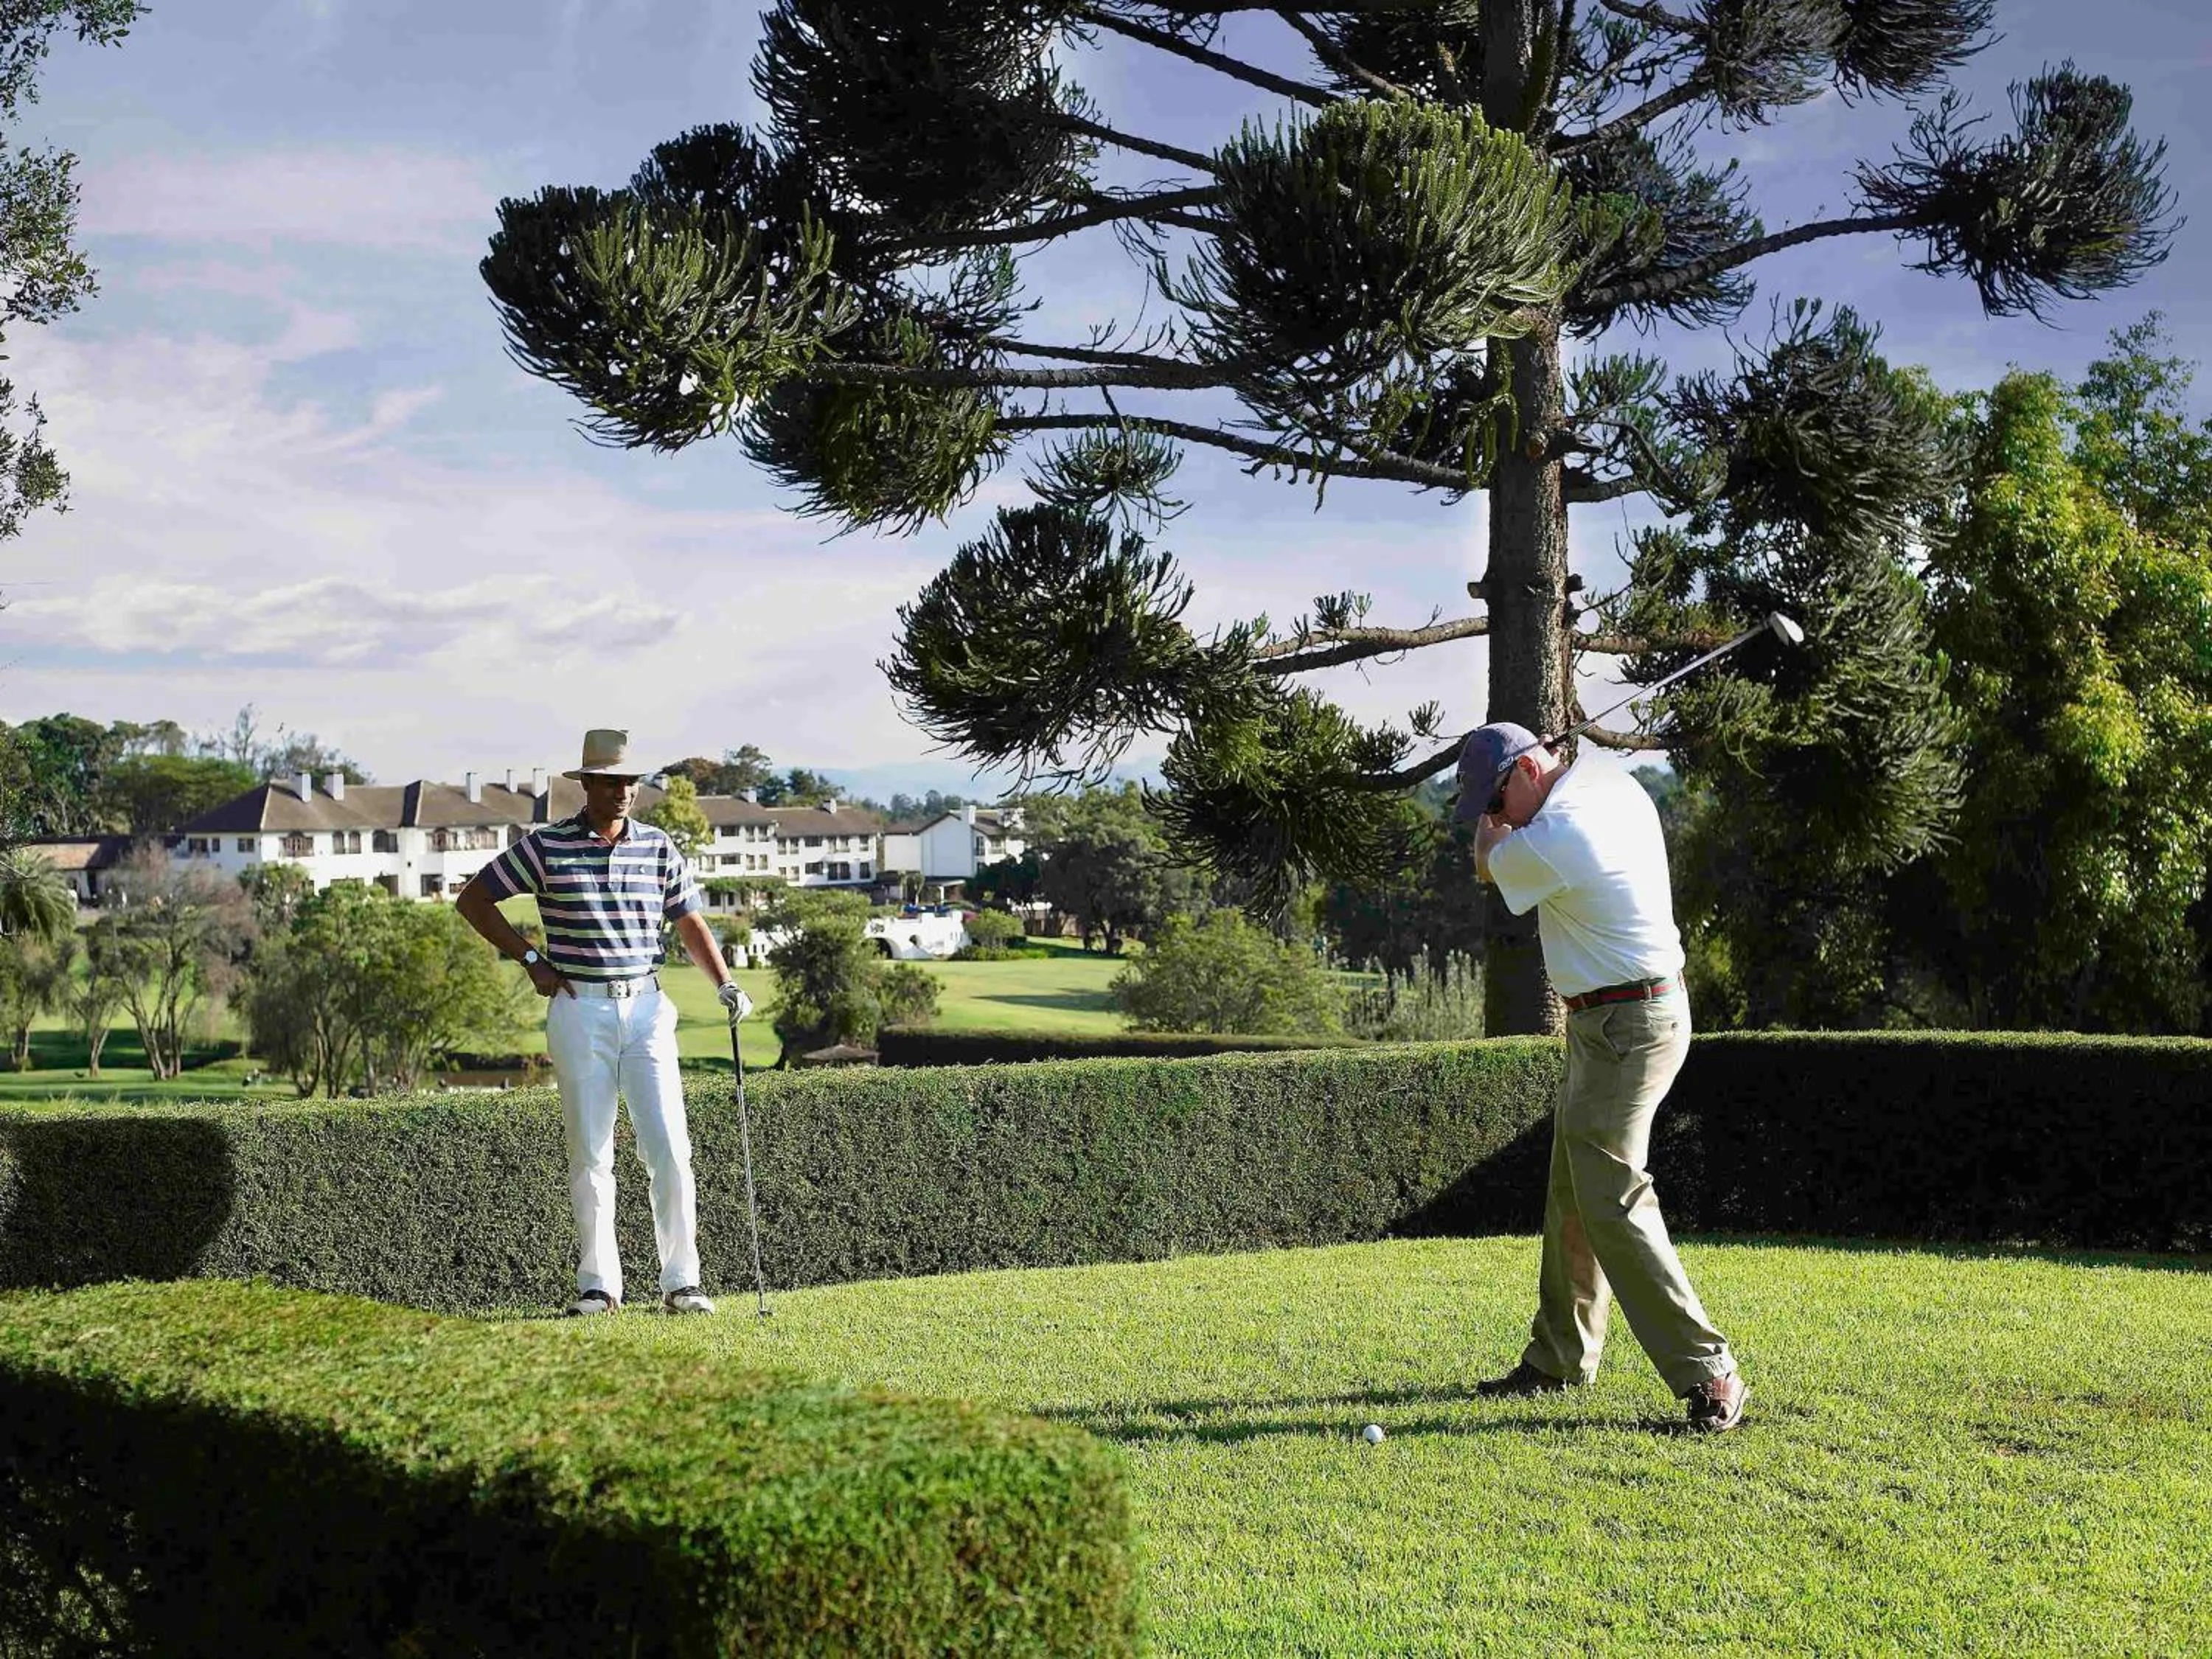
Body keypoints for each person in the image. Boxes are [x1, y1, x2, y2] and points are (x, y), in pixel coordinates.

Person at [1457, 722, 1749, 1433]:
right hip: (1620, 1018)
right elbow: (1524, 817)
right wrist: (1523, 784)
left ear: (1528, 772)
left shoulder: (1558, 835)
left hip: (1628, 1026)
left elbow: (1486, 864)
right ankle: (1559, 1358)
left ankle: (1709, 1371)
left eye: (1495, 799)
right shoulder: (1610, 783)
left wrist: (1493, 829)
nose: (1495, 816)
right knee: (1573, 1189)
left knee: (1613, 1195)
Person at [456, 728, 754, 1318]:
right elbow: (474, 900)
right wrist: (532, 960)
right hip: (580, 1009)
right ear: (587, 784)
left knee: (669, 1148)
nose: (623, 792)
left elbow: (689, 921)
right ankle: (599, 1287)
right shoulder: (546, 847)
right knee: (591, 1154)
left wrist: (725, 982)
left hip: (647, 1009)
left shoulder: (658, 847)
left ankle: (683, 1282)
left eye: (630, 782)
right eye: (611, 782)